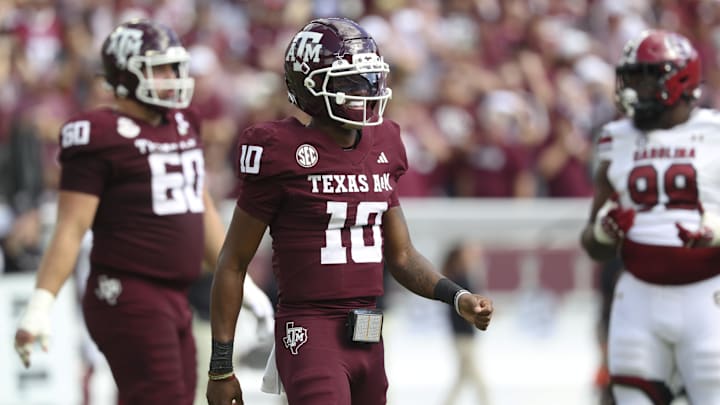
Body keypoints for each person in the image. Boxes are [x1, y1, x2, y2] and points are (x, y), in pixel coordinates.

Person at [205, 17, 494, 405]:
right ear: (310, 87)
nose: (367, 91)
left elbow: (403, 256)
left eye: (370, 79)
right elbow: (233, 261)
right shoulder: (279, 150)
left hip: (369, 330)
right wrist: (222, 365)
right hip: (310, 329)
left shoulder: (385, 141)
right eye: (351, 81)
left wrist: (456, 297)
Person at [12, 19, 272, 405]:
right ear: (124, 72)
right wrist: (41, 303)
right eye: (159, 68)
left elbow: (198, 210)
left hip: (172, 294)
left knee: (176, 394)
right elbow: (72, 227)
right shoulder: (97, 133)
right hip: (126, 292)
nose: (172, 77)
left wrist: (241, 283)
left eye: (174, 67)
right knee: (162, 395)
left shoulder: (184, 122)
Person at [580, 28, 720, 404]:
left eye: (647, 76)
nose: (636, 88)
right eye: (632, 76)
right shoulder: (614, 138)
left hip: (709, 298)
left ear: (681, 77)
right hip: (638, 299)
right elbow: (591, 244)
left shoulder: (715, 132)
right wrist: (606, 234)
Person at [440, 242, 490, 405]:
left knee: (462, 378)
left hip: (462, 335)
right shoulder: (459, 281)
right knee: (477, 380)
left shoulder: (457, 278)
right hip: (464, 336)